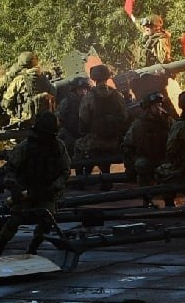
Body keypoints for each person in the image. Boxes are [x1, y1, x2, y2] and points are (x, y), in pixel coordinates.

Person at [0, 111, 71, 256]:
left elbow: (65, 171)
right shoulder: (26, 147)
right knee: (14, 221)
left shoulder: (58, 147)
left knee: (47, 220)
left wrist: (54, 188)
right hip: (25, 191)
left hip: (46, 192)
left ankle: (33, 249)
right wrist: (16, 189)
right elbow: (10, 169)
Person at [76, 64, 128, 183]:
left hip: (95, 141)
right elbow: (124, 117)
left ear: (94, 78)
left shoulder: (89, 97)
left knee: (77, 147)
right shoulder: (117, 95)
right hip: (115, 140)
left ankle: (79, 180)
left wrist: (86, 131)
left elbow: (83, 120)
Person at [121, 92, 173, 207]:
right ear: (148, 108)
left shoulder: (168, 121)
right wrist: (130, 166)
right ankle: (146, 198)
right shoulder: (138, 124)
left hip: (164, 159)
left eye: (160, 104)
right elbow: (127, 145)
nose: (159, 107)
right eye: (155, 105)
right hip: (147, 158)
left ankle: (169, 200)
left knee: (169, 173)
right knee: (141, 166)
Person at [1, 52, 57, 128]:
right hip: (44, 121)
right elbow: (54, 93)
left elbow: (7, 103)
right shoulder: (44, 77)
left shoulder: (19, 79)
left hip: (25, 123)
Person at [56, 76, 90, 157]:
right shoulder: (67, 102)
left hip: (86, 135)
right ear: (75, 90)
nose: (83, 92)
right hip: (70, 134)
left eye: (85, 89)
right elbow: (59, 117)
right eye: (80, 89)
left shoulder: (90, 101)